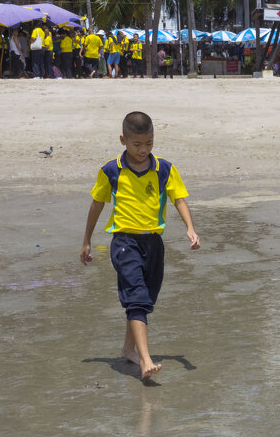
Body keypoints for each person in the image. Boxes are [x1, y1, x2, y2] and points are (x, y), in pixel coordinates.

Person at [79, 111, 201, 380]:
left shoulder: (164, 169)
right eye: (137, 145)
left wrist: (190, 228)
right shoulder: (110, 170)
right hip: (124, 242)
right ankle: (145, 360)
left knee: (144, 301)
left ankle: (128, 349)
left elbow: (179, 199)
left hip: (154, 243)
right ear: (123, 140)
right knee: (136, 297)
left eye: (149, 143)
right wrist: (86, 240)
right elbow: (97, 204)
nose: (143, 150)